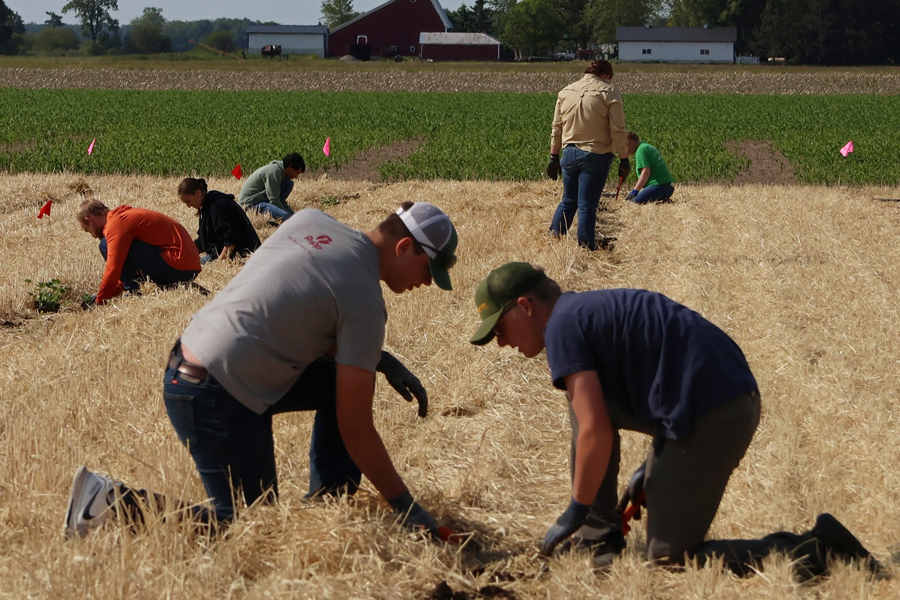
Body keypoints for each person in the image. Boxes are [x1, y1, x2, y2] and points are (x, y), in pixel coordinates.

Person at [65, 201, 459, 539]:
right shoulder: (366, 302)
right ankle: (108, 503)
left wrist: (381, 360)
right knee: (253, 528)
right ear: (406, 247)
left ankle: (327, 506)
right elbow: (356, 427)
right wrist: (409, 510)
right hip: (212, 393)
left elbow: (299, 302)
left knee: (340, 383)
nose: (426, 283)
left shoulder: (312, 220)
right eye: (429, 271)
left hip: (192, 357)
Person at [468, 262, 886, 579]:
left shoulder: (561, 327)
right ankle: (601, 538)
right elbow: (648, 386)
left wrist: (576, 509)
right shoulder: (579, 313)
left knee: (669, 557)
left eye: (500, 328)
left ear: (525, 306)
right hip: (714, 400)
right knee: (580, 404)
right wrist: (650, 468)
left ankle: (819, 549)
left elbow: (596, 428)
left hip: (718, 413)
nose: (502, 342)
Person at [547, 60, 630, 250]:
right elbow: (618, 130)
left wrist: (553, 157)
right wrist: (624, 158)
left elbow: (556, 128)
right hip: (595, 154)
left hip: (568, 153)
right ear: (607, 76)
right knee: (587, 204)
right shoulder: (609, 92)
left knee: (568, 200)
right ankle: (585, 247)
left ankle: (553, 240)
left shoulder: (566, 91)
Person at [77, 200, 202, 306]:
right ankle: (135, 289)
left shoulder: (116, 224)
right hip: (186, 266)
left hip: (179, 265)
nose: (93, 236)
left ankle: (135, 292)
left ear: (90, 221)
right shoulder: (122, 217)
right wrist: (108, 294)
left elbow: (114, 268)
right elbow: (124, 270)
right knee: (118, 247)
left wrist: (100, 301)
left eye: (88, 231)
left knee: (105, 245)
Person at [177, 177, 261, 264]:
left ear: (198, 193)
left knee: (193, 268)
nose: (188, 206)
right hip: (217, 254)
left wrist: (219, 263)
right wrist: (186, 255)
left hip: (241, 256)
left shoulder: (217, 206)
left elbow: (230, 239)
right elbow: (204, 240)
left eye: (188, 201)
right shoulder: (207, 206)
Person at [238, 153, 305, 222]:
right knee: (286, 217)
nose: (296, 176)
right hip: (251, 204)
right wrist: (289, 216)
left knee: (289, 184)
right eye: (297, 172)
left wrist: (293, 214)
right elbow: (274, 200)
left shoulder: (280, 173)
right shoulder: (274, 171)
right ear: (291, 167)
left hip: (262, 201)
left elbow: (280, 201)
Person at [624, 132, 675, 204]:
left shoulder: (640, 151)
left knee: (633, 203)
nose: (625, 150)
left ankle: (659, 198)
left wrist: (635, 190)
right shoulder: (646, 146)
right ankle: (664, 198)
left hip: (658, 186)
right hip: (670, 186)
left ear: (631, 141)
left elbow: (645, 172)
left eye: (625, 146)